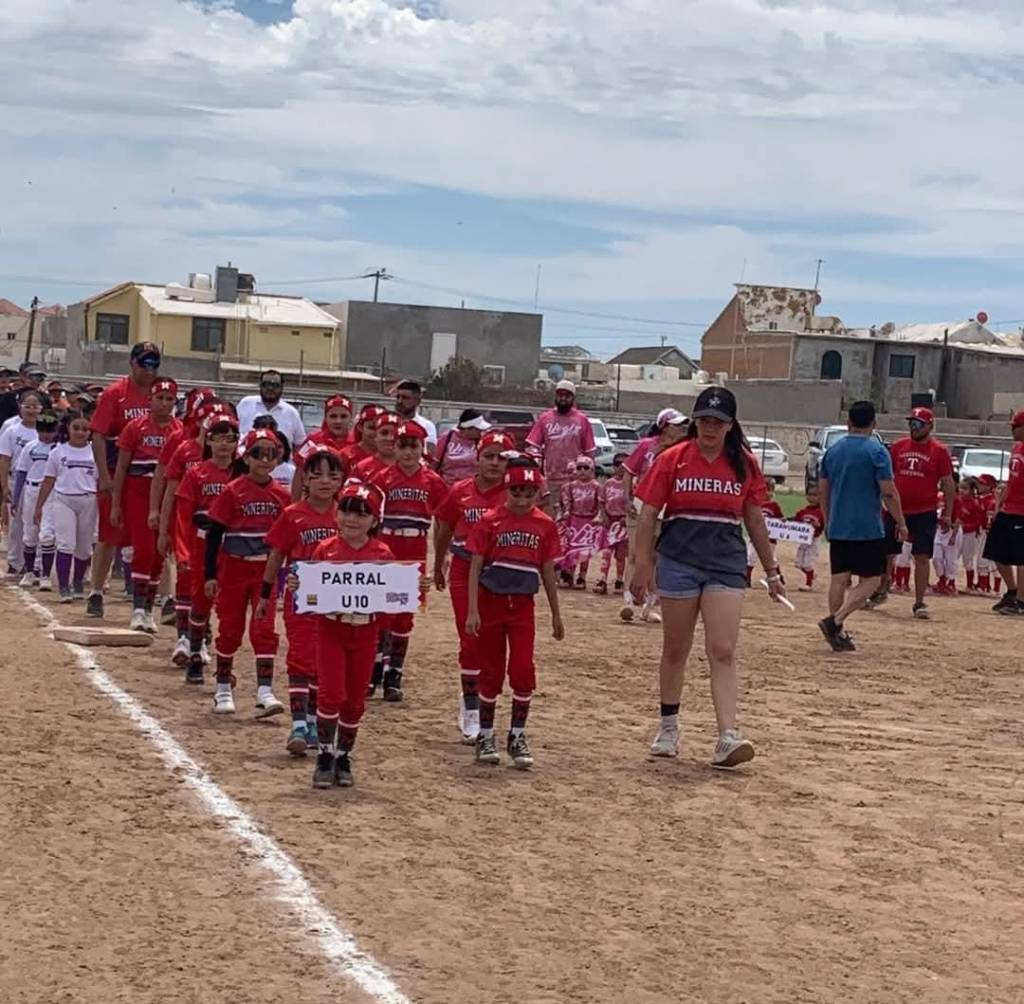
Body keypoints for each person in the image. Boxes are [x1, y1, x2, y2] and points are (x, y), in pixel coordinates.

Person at [631, 387, 783, 768]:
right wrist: (642, 565)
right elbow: (649, 514)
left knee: (723, 648)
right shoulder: (673, 459)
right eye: (704, 421)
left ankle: (727, 735)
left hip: (725, 562)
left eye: (718, 422)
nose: (710, 428)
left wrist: (772, 570)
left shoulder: (744, 464)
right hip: (680, 559)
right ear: (695, 422)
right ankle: (669, 726)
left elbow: (754, 519)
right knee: (676, 648)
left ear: (731, 426)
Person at [465, 457, 564, 769]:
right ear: (506, 490)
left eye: (528, 494)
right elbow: (475, 566)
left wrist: (556, 613)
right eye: (516, 493)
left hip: (522, 606)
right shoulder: (490, 520)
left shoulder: (544, 525)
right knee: (491, 671)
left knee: (522, 668)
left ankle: (518, 734)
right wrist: (472, 610)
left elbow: (547, 570)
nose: (521, 500)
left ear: (537, 494)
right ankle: (486, 734)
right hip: (491, 602)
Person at [305, 481, 394, 789]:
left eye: (362, 513)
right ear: (336, 513)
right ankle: (325, 755)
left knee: (356, 698)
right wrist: (297, 588)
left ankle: (344, 755)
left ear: (374, 520)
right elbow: (310, 592)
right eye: (346, 511)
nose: (352, 519)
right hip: (332, 629)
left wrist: (410, 589)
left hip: (366, 632)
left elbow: (390, 601)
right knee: (331, 693)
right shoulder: (325, 549)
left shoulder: (382, 553)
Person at [260, 448, 344, 757]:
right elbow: (276, 555)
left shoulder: (347, 515)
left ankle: (312, 721)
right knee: (300, 657)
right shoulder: (293, 514)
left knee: (324, 662)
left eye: (332, 476)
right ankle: (297, 723)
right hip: (300, 598)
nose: (324, 481)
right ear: (304, 479)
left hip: (335, 603)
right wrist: (266, 594)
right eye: (316, 475)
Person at [204, 428, 291, 716]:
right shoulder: (233, 490)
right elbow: (215, 533)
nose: (265, 460)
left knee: (264, 629)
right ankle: (223, 689)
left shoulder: (282, 495)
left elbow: (286, 541)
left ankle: (265, 690)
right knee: (230, 628)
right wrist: (210, 574)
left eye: (271, 454)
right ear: (246, 456)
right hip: (233, 567)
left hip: (264, 571)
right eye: (258, 454)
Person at [433, 429, 513, 744]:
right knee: (470, 638)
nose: (494, 464)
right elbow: (444, 527)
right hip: (465, 567)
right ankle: (470, 708)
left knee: (492, 642)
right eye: (488, 456)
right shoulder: (460, 491)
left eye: (501, 458)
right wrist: (438, 561)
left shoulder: (513, 494)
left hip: (499, 571)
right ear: (476, 459)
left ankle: (486, 702)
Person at [817, 400, 907, 652]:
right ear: (874, 423)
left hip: (839, 524)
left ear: (849, 423)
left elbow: (823, 489)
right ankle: (835, 622)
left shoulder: (832, 451)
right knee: (872, 580)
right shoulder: (877, 451)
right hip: (867, 526)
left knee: (839, 578)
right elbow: (888, 492)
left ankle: (838, 631)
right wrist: (900, 521)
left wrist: (827, 518)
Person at [367, 420, 447, 701]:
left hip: (414, 550)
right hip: (386, 546)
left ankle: (394, 675)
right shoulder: (382, 477)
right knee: (380, 612)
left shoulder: (432, 481)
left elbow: (444, 520)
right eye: (402, 446)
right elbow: (369, 517)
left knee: (403, 616)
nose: (408, 453)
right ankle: (374, 670)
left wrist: (441, 558)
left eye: (413, 446)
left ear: (421, 448)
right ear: (395, 448)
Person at [86, 341, 160, 618]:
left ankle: (161, 596)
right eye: (144, 363)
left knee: (154, 536)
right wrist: (104, 475)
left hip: (151, 477)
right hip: (118, 471)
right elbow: (98, 435)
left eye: (154, 363)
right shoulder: (115, 394)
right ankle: (96, 591)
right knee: (109, 534)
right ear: (132, 363)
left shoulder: (159, 395)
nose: (149, 369)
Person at [111, 378, 182, 632]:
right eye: (159, 398)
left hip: (166, 495)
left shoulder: (178, 431)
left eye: (169, 399)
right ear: (149, 400)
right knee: (143, 549)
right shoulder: (135, 427)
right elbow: (121, 466)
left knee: (159, 553)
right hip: (138, 491)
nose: (164, 404)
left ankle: (149, 610)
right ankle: (138, 609)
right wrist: (116, 503)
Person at [174, 414, 240, 684]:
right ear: (208, 440)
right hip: (203, 542)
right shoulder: (197, 473)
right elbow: (183, 515)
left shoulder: (242, 474)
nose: (224, 444)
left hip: (234, 545)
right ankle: (195, 655)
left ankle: (224, 664)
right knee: (200, 600)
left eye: (230, 439)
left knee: (228, 606)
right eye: (218, 438)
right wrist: (183, 551)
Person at [884, 406, 955, 619]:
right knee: (886, 551)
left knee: (921, 556)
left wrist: (948, 513)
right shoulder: (898, 447)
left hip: (924, 511)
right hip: (897, 509)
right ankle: (880, 588)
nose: (914, 428)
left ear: (930, 426)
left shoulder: (939, 451)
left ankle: (919, 602)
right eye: (911, 424)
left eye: (918, 424)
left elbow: (948, 483)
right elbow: (886, 476)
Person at [619, 408, 688, 621]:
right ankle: (628, 600)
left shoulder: (683, 450)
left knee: (655, 557)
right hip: (641, 504)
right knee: (635, 554)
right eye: (677, 425)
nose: (682, 428)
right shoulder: (646, 446)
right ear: (665, 426)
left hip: (666, 508)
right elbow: (629, 473)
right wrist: (627, 499)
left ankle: (649, 605)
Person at [34, 412, 99, 602]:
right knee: (65, 543)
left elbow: (102, 479)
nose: (80, 432)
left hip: (88, 500)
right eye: (76, 428)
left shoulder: (95, 452)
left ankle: (78, 581)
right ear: (68, 429)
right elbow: (48, 481)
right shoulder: (58, 452)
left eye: (85, 429)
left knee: (84, 547)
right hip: (64, 499)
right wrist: (39, 506)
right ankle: (64, 586)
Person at [525, 380, 595, 505]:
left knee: (573, 516)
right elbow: (532, 447)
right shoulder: (545, 418)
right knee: (551, 516)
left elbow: (589, 453)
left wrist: (587, 478)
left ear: (573, 398)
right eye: (560, 395)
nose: (563, 398)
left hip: (574, 479)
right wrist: (539, 475)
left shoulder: (582, 420)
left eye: (567, 396)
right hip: (550, 478)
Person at [982, 409, 1024, 615]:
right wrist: (999, 504)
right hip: (1009, 508)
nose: (1012, 430)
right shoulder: (1016, 449)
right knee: (996, 552)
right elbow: (1011, 481)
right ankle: (1013, 591)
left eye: (1015, 427)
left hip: (1023, 511)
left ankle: (1022, 602)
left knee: (1021, 558)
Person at [12, 411, 60, 589]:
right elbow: (21, 473)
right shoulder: (31, 447)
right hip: (31, 489)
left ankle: (45, 575)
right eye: (42, 430)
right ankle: (30, 571)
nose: (45, 434)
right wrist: (16, 498)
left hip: (51, 492)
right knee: (29, 532)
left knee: (47, 533)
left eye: (49, 430)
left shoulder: (58, 449)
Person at [0, 389, 44, 576]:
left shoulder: (44, 430)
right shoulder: (11, 429)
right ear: (20, 407)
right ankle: (14, 561)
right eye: (28, 406)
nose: (31, 410)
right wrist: (4, 486)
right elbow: (4, 458)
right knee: (16, 523)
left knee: (36, 523)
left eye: (35, 407)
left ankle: (35, 563)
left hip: (38, 481)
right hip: (15, 478)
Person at [291, 395, 353, 498]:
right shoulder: (312, 441)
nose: (338, 421)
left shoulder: (357, 442)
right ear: (326, 418)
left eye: (343, 416)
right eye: (333, 416)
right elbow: (299, 474)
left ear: (350, 418)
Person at [557, 454, 602, 589]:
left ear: (592, 470)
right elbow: (567, 502)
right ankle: (569, 574)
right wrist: (565, 515)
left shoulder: (596, 486)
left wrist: (599, 516)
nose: (582, 471)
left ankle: (582, 577)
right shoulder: (571, 486)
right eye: (579, 467)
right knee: (572, 549)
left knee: (585, 551)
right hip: (574, 519)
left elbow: (600, 504)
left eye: (586, 468)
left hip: (589, 521)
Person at [236, 369, 306, 452]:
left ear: (282, 387)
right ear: (260, 385)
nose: (270, 388)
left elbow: (300, 444)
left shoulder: (291, 413)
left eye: (275, 385)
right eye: (266, 384)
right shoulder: (245, 404)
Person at [595, 452, 630, 595]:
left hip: (623, 523)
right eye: (617, 464)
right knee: (607, 553)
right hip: (610, 521)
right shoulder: (609, 483)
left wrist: (627, 518)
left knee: (621, 555)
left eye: (624, 464)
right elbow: (602, 502)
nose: (621, 467)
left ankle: (619, 580)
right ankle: (602, 579)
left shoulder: (630, 484)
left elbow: (634, 503)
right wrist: (604, 516)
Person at [434, 409, 491, 485]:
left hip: (471, 488)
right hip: (446, 486)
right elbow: (435, 462)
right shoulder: (447, 438)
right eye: (478, 429)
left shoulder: (481, 441)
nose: (481, 431)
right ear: (467, 428)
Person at [746, 479, 783, 586]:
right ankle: (747, 578)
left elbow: (780, 520)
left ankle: (779, 578)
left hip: (770, 538)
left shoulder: (774, 505)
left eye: (771, 490)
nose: (768, 493)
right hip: (755, 537)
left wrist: (782, 521)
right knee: (751, 557)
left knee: (772, 558)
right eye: (765, 490)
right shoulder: (756, 504)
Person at [932, 481, 963, 596]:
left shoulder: (957, 499)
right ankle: (941, 579)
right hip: (940, 530)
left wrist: (954, 535)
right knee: (936, 557)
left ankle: (951, 583)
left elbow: (959, 518)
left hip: (951, 530)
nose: (942, 485)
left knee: (951, 559)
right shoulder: (939, 497)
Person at [792, 487, 825, 591]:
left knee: (807, 563)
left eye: (815, 495)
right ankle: (812, 575)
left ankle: (809, 584)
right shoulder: (803, 511)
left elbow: (825, 525)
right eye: (809, 495)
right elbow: (794, 521)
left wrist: (819, 525)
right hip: (804, 540)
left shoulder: (821, 512)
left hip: (814, 540)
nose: (811, 497)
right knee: (798, 563)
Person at [958, 477, 986, 594]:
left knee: (967, 559)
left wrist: (966, 527)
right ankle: (949, 582)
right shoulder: (957, 501)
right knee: (952, 557)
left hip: (969, 534)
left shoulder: (975, 504)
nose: (962, 490)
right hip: (957, 533)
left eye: (965, 488)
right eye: (960, 487)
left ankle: (969, 585)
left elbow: (977, 522)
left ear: (971, 490)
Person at [392, 379, 437, 449]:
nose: (399, 401)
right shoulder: (388, 423)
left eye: (405, 398)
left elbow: (429, 454)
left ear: (418, 401)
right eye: (398, 397)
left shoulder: (427, 426)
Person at [975, 474, 999, 593]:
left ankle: (988, 587)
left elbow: (990, 521)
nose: (979, 485)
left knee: (985, 560)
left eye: (982, 483)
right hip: (981, 531)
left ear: (990, 486)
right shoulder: (981, 498)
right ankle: (984, 585)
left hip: (988, 532)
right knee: (981, 559)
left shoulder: (991, 501)